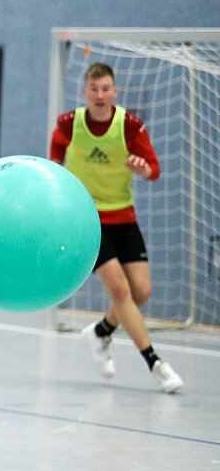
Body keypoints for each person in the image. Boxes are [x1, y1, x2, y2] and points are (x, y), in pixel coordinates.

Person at [50, 62, 183, 394]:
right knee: (120, 292)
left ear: (115, 91)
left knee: (141, 293)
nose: (99, 95)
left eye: (105, 88)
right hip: (87, 222)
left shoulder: (130, 125)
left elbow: (154, 170)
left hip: (123, 217)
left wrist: (142, 169)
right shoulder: (68, 124)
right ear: (84, 93)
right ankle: (155, 363)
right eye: (93, 89)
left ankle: (101, 331)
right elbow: (52, 169)